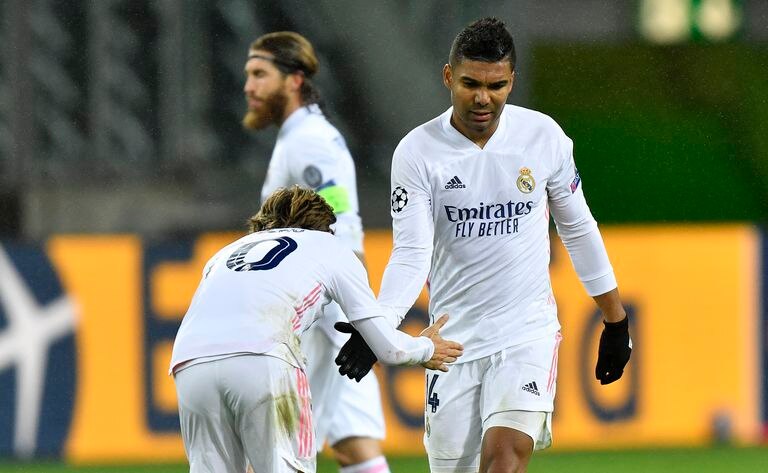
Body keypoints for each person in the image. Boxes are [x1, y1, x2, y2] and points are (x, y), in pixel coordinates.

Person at [368, 17, 631, 473]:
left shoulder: (543, 137)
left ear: (512, 81)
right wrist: (379, 325)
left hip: (525, 333)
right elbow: (410, 253)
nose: (483, 98)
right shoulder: (417, 152)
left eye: (497, 85)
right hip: (451, 345)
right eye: (470, 83)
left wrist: (615, 320)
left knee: (504, 458)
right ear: (449, 77)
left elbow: (578, 227)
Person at [169, 186, 463, 473]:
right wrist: (427, 348)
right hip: (265, 357)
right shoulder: (328, 245)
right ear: (324, 225)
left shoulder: (222, 254)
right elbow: (388, 348)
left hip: (190, 364)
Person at [242, 32, 392, 473]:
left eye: (259, 74)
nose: (248, 87)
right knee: (354, 445)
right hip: (335, 310)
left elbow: (340, 223)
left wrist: (357, 312)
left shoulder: (310, 141)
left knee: (272, 447)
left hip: (316, 311)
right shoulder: (299, 137)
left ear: (294, 79)